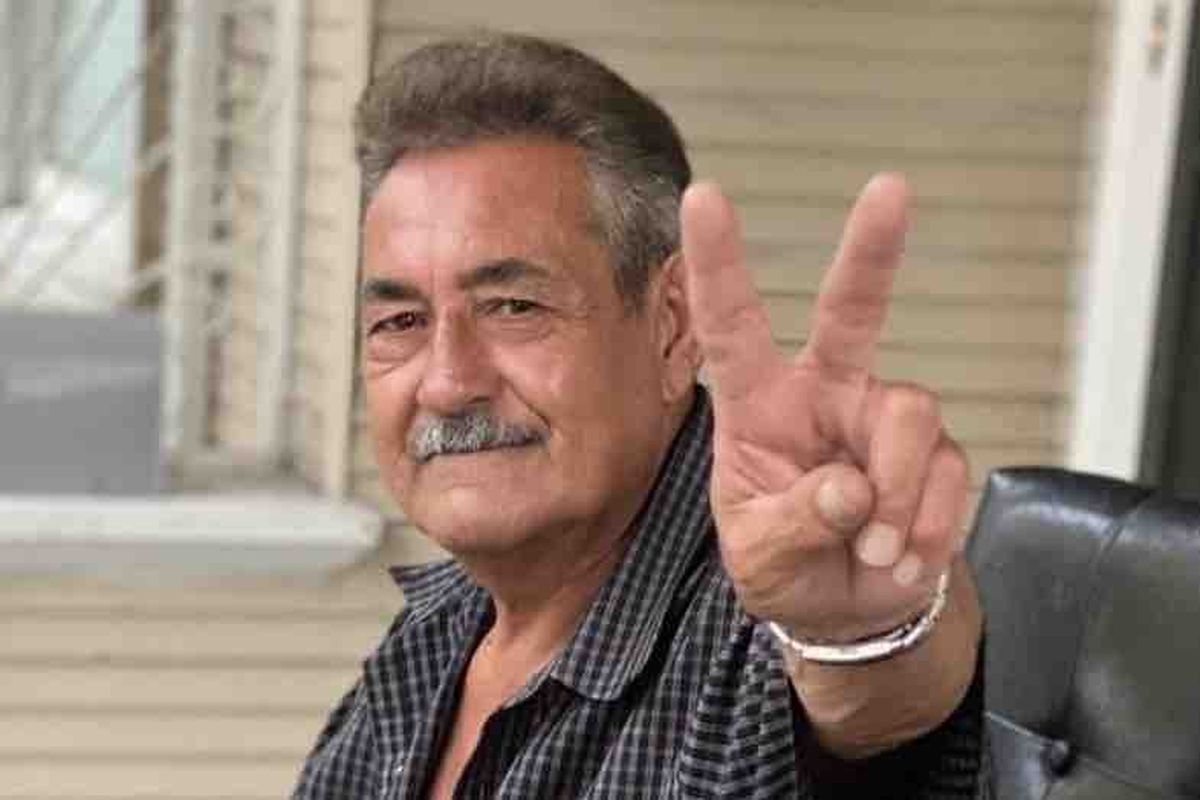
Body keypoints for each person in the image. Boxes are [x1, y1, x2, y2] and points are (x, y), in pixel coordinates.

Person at [294, 32, 987, 799]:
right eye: (400, 322)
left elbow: (877, 713)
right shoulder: (431, 635)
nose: (449, 383)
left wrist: (859, 637)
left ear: (671, 325)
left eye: (514, 307)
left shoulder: (762, 630)